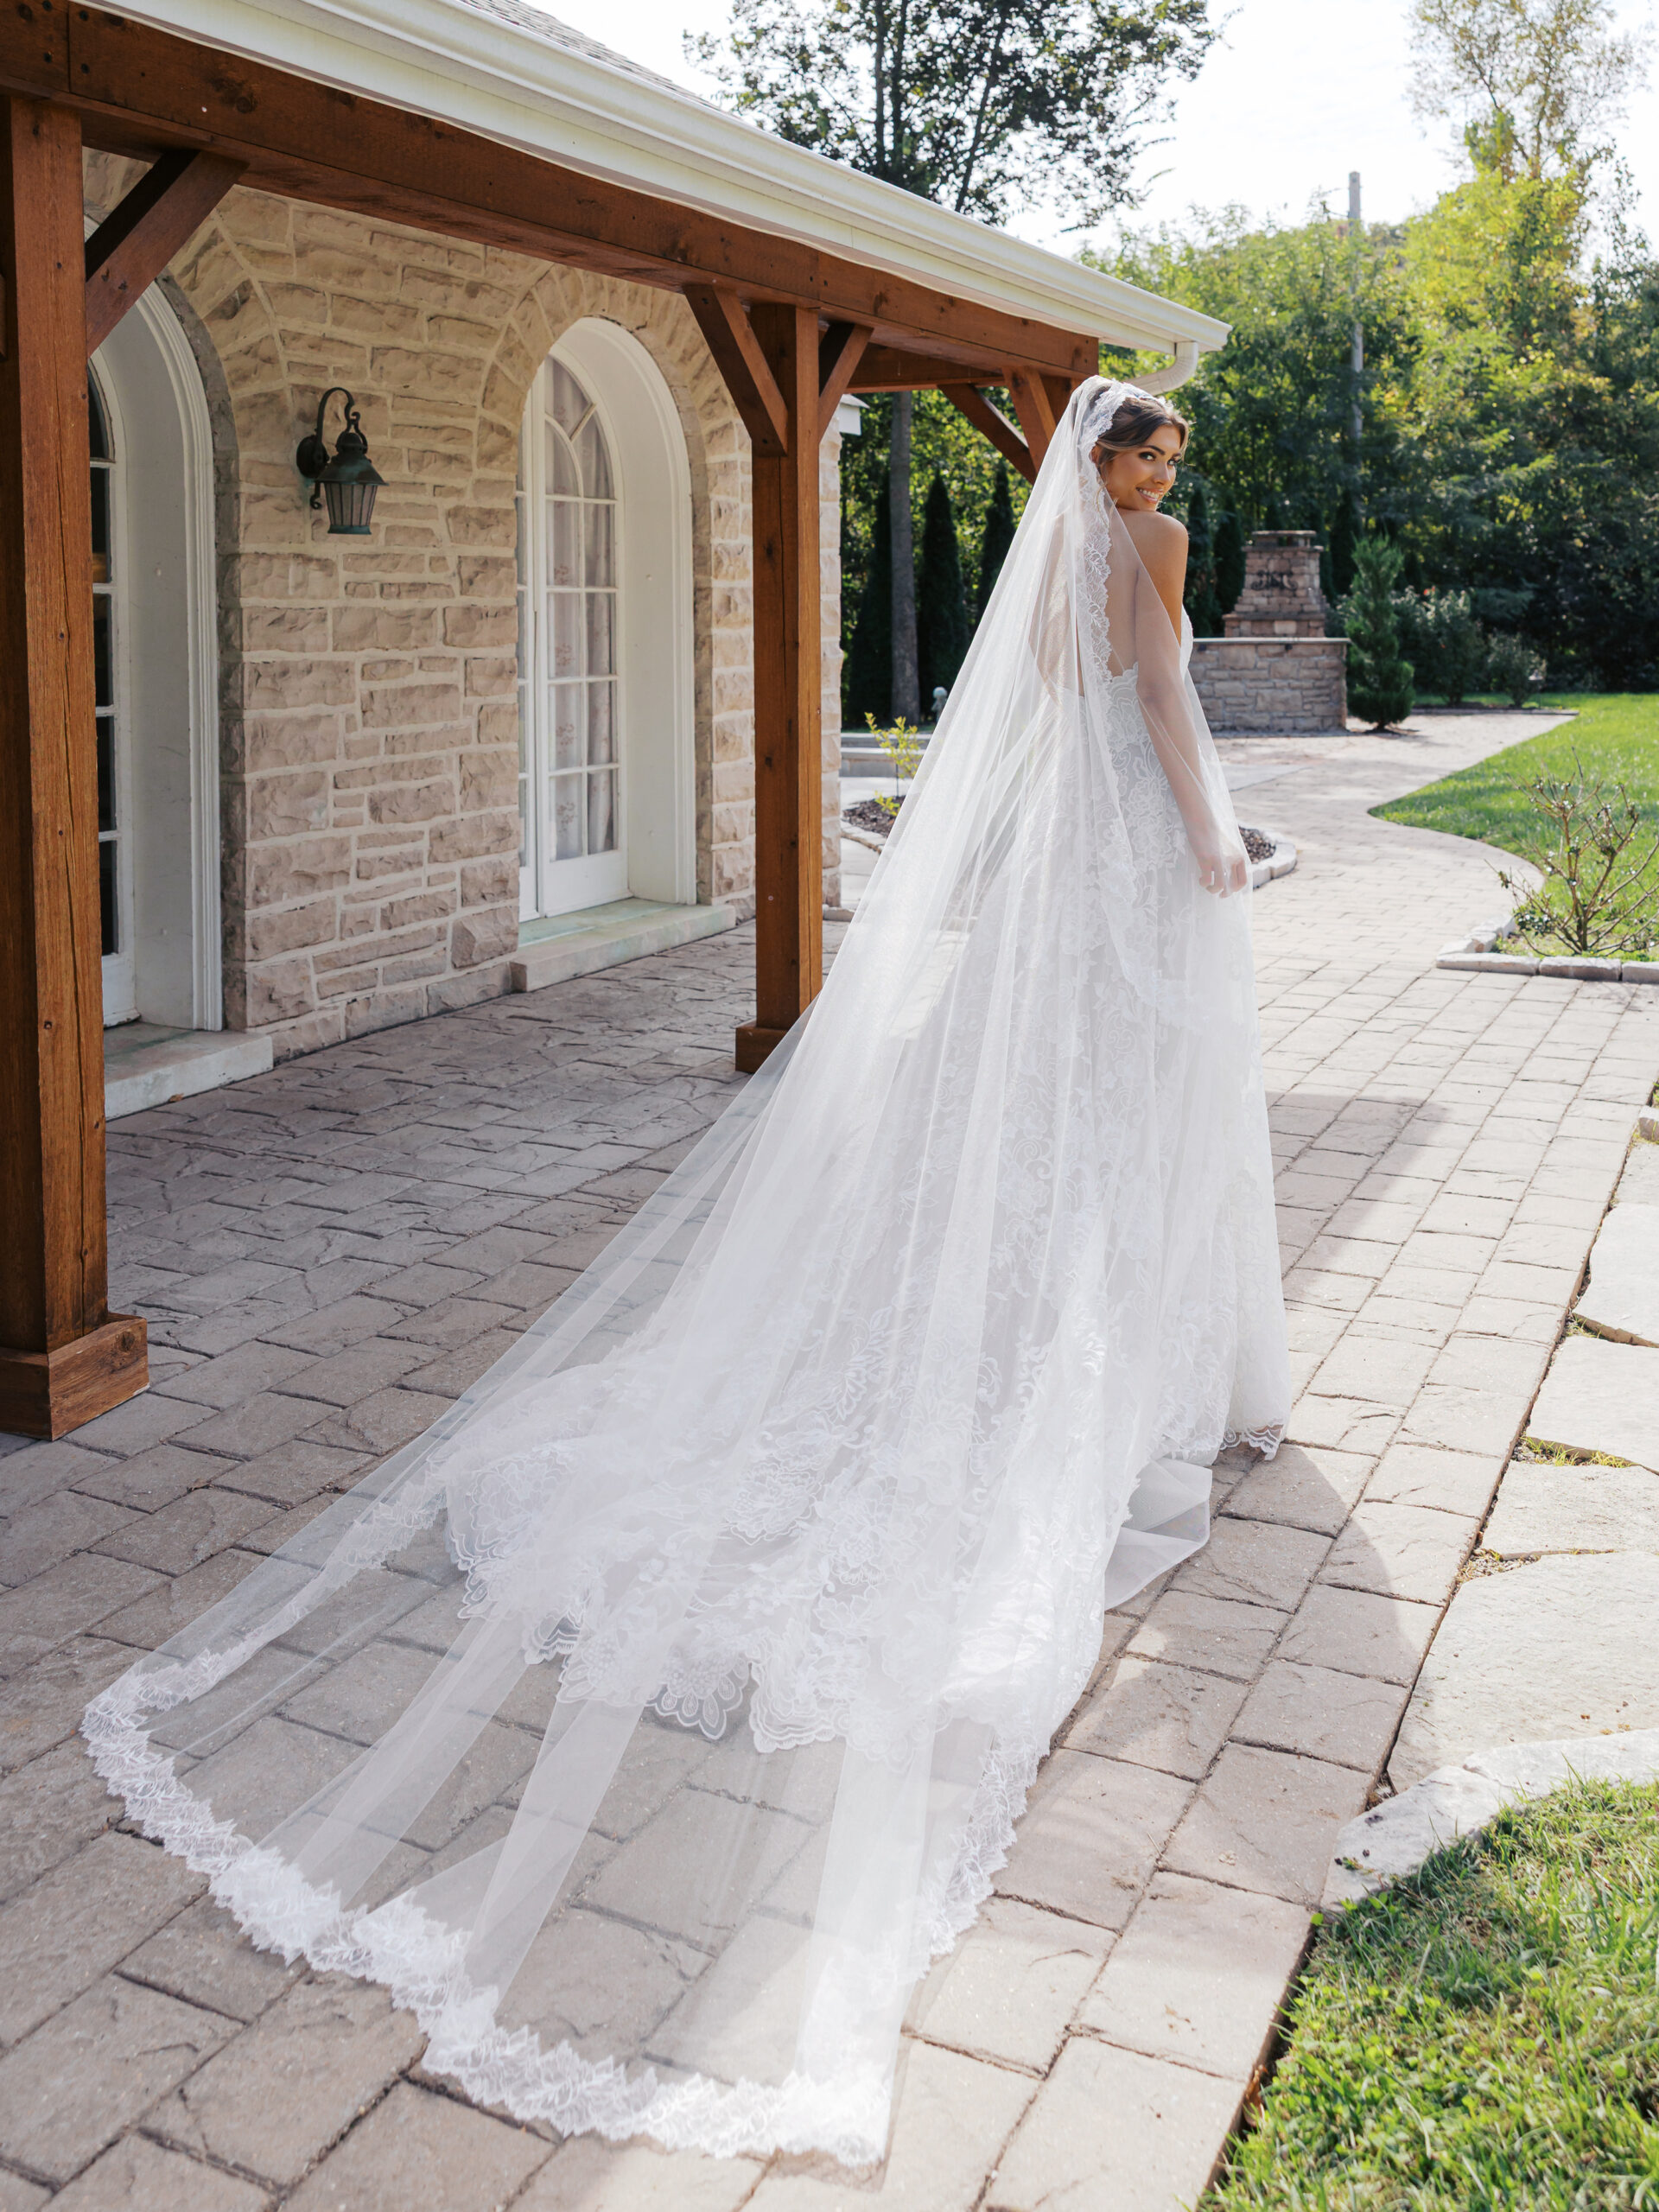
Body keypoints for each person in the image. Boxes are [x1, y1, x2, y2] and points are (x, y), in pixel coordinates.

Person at [86, 378, 1288, 2169]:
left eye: (1167, 461)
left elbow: (1057, 706)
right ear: (1116, 464)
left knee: (1052, 1136)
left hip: (1059, 866)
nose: (1167, 478)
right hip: (1128, 859)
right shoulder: (1151, 550)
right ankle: (1120, 1378)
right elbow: (1170, 707)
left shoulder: (1049, 566)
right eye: (1153, 452)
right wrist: (1209, 835)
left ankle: (1064, 1353)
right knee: (1119, 1134)